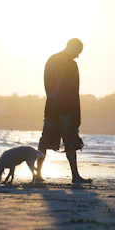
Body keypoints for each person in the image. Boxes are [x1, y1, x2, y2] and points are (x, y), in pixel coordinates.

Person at [37, 38, 92, 184]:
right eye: (78, 52)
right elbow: (74, 92)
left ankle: (38, 175)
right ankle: (75, 176)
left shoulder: (52, 60)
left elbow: (47, 87)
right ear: (72, 47)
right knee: (70, 143)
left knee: (45, 141)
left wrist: (52, 100)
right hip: (66, 110)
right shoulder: (71, 64)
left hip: (52, 108)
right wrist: (76, 115)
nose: (78, 55)